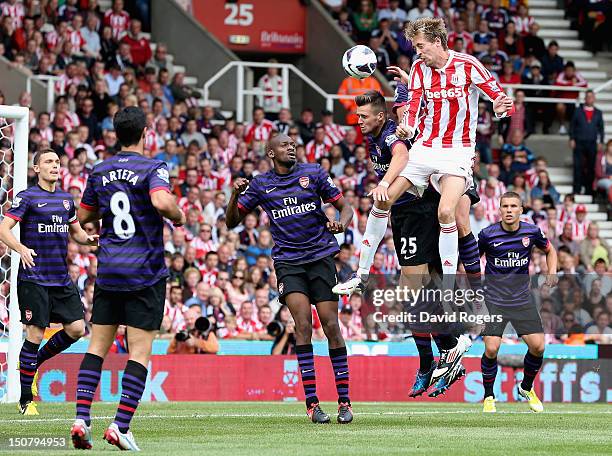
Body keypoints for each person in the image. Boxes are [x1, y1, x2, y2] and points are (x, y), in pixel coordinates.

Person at [335, 18, 513, 294]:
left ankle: (450, 287)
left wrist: (502, 108)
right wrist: (409, 126)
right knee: (383, 200)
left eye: (420, 46)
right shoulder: (419, 68)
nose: (417, 52)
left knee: (446, 211)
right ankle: (361, 275)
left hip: (457, 151)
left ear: (437, 42)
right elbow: (416, 105)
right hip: (426, 149)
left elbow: (498, 98)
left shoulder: (468, 65)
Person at [333, 89, 476, 395]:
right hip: (407, 214)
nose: (357, 121)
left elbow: (402, 153)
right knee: (428, 293)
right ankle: (450, 354)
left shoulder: (389, 136)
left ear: (380, 116)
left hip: (416, 213)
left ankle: (435, 359)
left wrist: (385, 183)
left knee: (411, 293)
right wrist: (405, 86)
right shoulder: (381, 131)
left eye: (363, 116)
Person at [70, 107, 186, 450]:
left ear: (116, 134)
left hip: (109, 271)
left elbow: (85, 215)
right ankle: (120, 425)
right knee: (139, 352)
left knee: (97, 347)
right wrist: (178, 215)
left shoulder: (100, 169)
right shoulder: (153, 167)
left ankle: (81, 418)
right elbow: (162, 202)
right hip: (144, 273)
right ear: (146, 133)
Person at [226, 133, 355, 424]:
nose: (291, 148)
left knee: (332, 325)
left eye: (294, 145)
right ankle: (312, 403)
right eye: (285, 145)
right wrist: (235, 194)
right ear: (271, 153)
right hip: (289, 263)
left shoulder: (314, 173)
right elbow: (232, 222)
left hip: (321, 257)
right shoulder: (260, 184)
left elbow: (345, 207)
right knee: (303, 325)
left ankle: (345, 402)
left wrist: (340, 224)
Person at [0, 149, 97, 416]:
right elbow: (3, 228)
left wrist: (89, 240)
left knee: (77, 329)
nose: (55, 165)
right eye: (48, 162)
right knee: (35, 333)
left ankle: (34, 362)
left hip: (60, 278)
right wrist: (20, 248)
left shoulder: (66, 200)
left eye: (57, 161)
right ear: (36, 168)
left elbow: (75, 233)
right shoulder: (27, 197)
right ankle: (25, 400)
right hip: (34, 278)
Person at [478, 192, 558, 413]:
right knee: (492, 348)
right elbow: (473, 259)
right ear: (500, 209)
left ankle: (526, 387)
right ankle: (488, 397)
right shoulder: (487, 235)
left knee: (538, 346)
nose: (509, 210)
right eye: (505, 206)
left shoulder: (531, 232)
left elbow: (550, 250)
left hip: (522, 299)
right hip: (494, 300)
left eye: (514, 206)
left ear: (521, 210)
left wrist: (552, 271)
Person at [570, 90, 605, 195]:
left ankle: (589, 190)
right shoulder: (578, 111)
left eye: (591, 97)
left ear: (594, 98)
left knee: (591, 167)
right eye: (587, 97)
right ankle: (577, 189)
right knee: (578, 166)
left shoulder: (598, 112)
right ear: (585, 98)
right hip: (579, 142)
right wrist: (572, 139)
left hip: (592, 143)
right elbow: (572, 126)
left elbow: (601, 129)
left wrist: (601, 142)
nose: (589, 99)